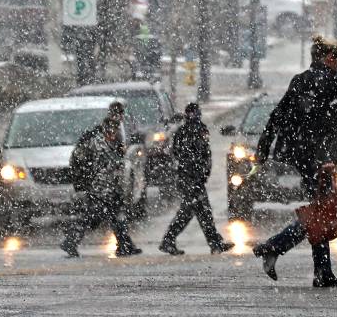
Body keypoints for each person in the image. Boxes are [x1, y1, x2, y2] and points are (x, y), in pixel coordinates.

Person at [251, 34, 337, 288]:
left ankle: (321, 271)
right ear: (327, 58)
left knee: (321, 212)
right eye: (336, 59)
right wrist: (334, 159)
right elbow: (335, 127)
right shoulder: (325, 83)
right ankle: (274, 246)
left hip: (304, 156)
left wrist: (264, 147)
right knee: (320, 213)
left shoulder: (302, 81)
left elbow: (278, 116)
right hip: (317, 160)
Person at [159, 103, 234, 256]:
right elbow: (182, 156)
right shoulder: (187, 131)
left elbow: (203, 154)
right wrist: (193, 174)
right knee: (194, 211)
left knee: (199, 211)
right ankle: (169, 240)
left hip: (195, 178)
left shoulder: (197, 129)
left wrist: (203, 172)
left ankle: (214, 243)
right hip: (190, 179)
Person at [61, 117, 142, 258]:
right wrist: (81, 181)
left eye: (115, 130)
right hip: (99, 187)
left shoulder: (111, 142)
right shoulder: (97, 143)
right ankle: (71, 241)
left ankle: (125, 246)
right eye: (112, 129)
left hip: (110, 186)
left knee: (110, 216)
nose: (114, 132)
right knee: (96, 216)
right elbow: (79, 160)